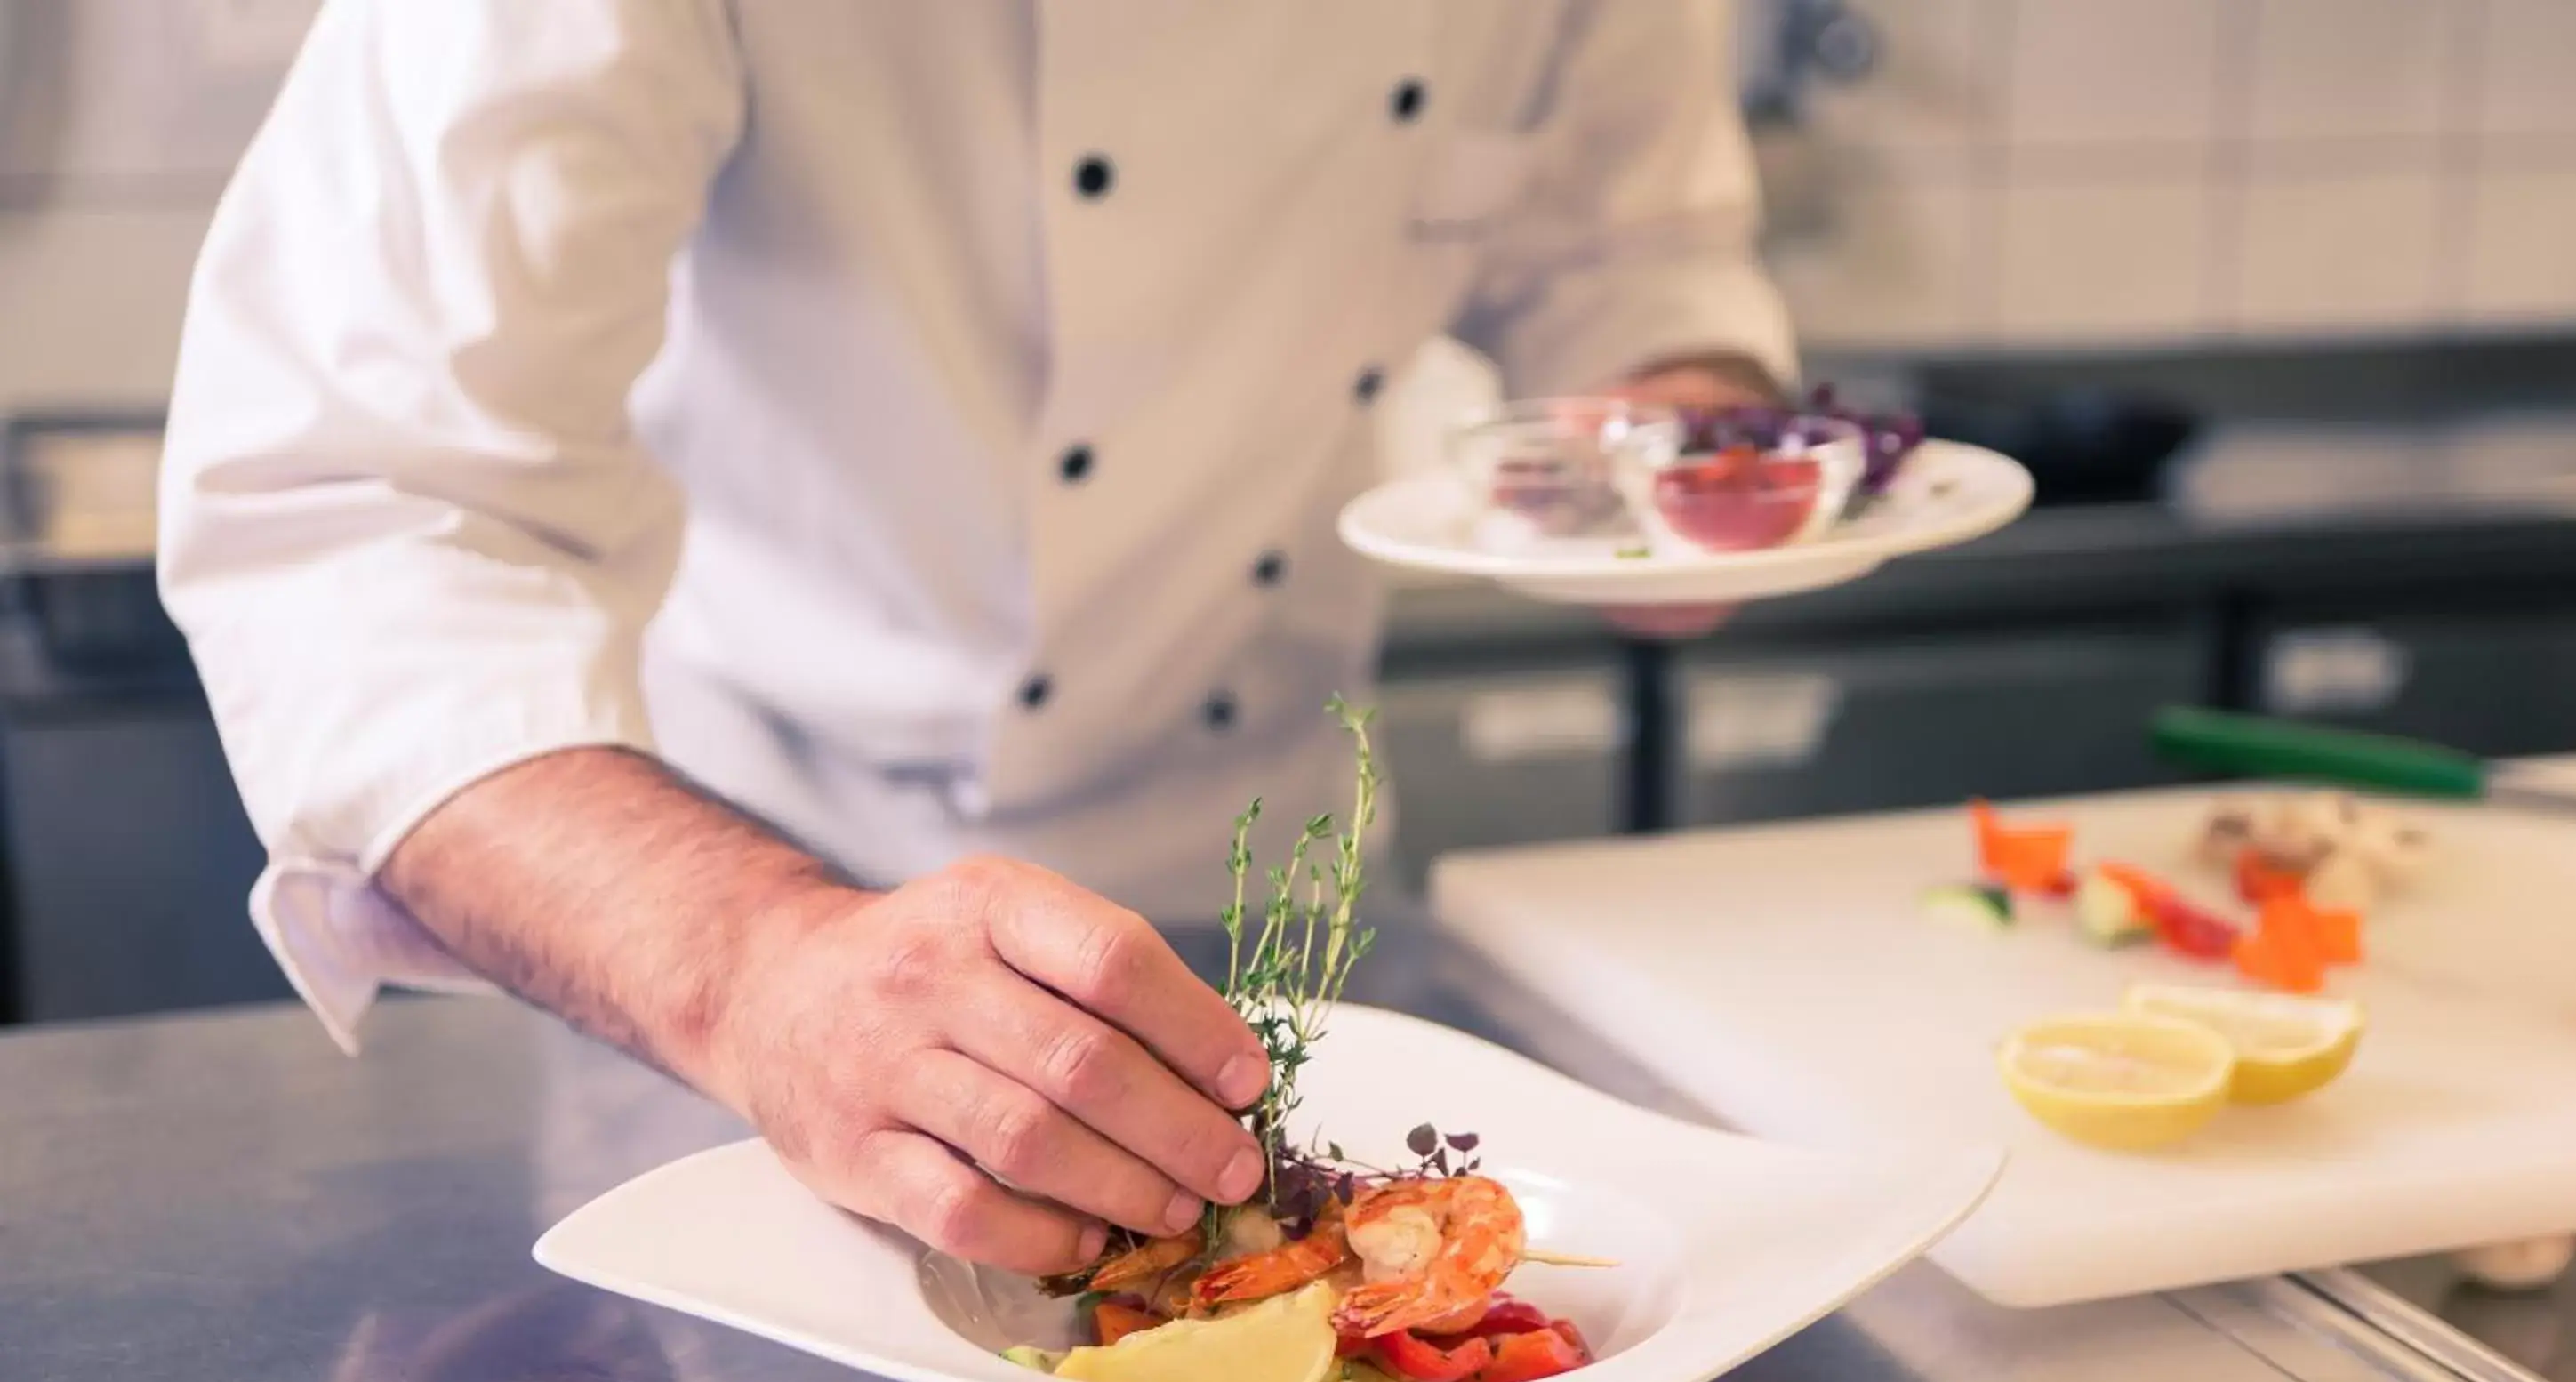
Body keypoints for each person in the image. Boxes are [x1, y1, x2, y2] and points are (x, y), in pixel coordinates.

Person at [159, 2, 1795, 1274]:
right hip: (762, 946)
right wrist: (758, 970)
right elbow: (362, 504)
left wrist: (1685, 448)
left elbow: (1632, 259)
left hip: (1283, 921)